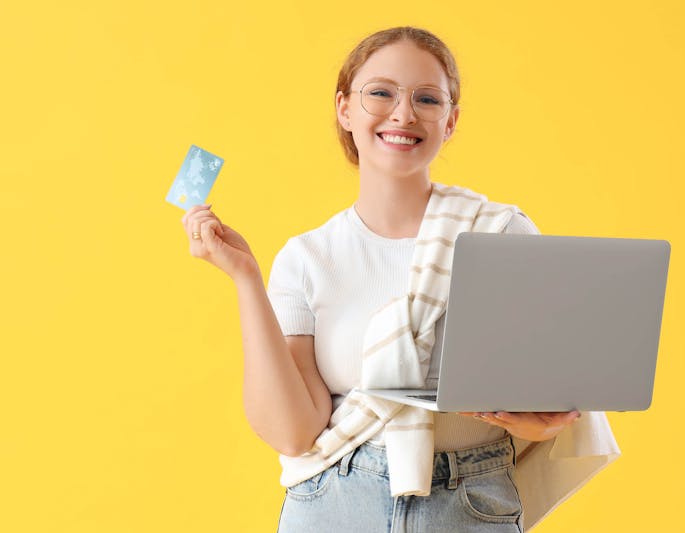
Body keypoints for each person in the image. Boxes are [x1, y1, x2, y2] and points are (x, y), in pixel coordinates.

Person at [181, 26, 619, 532]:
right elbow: (293, 432)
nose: (403, 114)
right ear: (345, 109)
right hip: (334, 502)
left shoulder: (499, 233)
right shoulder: (306, 257)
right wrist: (246, 279)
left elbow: (553, 391)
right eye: (381, 92)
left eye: (426, 98)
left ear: (450, 121)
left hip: (469, 504)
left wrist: (535, 421)